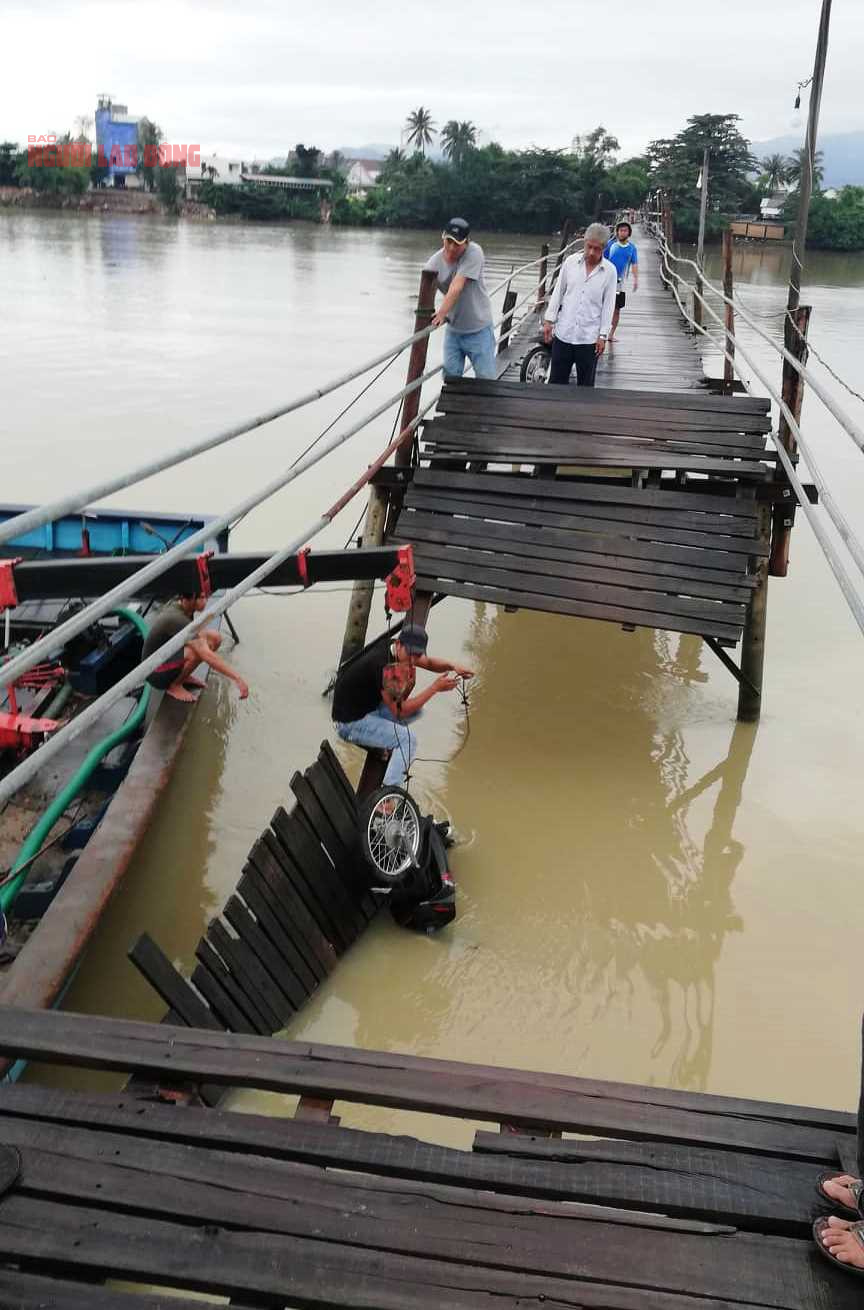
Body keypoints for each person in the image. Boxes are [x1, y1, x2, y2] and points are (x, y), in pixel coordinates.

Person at [332, 623, 473, 788]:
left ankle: (384, 741)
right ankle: (388, 796)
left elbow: (428, 663)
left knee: (416, 711)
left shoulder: (396, 649)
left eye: (418, 654)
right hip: (348, 723)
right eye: (411, 654)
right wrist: (434, 688)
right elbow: (400, 712)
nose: (413, 660)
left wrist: (453, 665)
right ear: (399, 644)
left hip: (368, 708)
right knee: (408, 740)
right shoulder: (383, 667)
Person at [543, 222, 617, 387]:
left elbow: (608, 306)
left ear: (603, 249)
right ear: (584, 242)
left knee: (586, 387)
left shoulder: (610, 272)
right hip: (564, 334)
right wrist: (549, 320)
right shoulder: (570, 262)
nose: (591, 252)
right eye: (589, 246)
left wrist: (602, 336)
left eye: (596, 249)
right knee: (556, 384)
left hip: (589, 339)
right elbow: (558, 292)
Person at [142, 594, 249, 704]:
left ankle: (183, 677)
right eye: (201, 598)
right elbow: (206, 655)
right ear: (189, 599)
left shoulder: (186, 608)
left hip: (167, 656)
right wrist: (237, 678)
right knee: (196, 653)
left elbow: (199, 636)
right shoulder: (176, 619)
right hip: (155, 673)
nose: (205, 601)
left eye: (205, 597)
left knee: (215, 638)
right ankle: (175, 685)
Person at [424, 218, 496, 380]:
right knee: (450, 378)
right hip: (454, 331)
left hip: (479, 330)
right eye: (448, 241)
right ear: (443, 237)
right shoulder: (432, 264)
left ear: (466, 242)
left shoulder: (474, 253)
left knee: (486, 380)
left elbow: (457, 286)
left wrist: (442, 313)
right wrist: (428, 318)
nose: (451, 248)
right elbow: (425, 293)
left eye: (457, 243)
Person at [604, 220, 639, 342]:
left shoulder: (632, 248)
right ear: (617, 232)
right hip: (606, 281)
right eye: (621, 230)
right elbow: (602, 259)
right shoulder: (610, 245)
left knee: (616, 309)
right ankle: (599, 332)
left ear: (629, 233)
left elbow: (634, 263)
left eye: (625, 230)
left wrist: (635, 279)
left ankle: (611, 334)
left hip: (620, 284)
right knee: (602, 306)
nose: (623, 233)